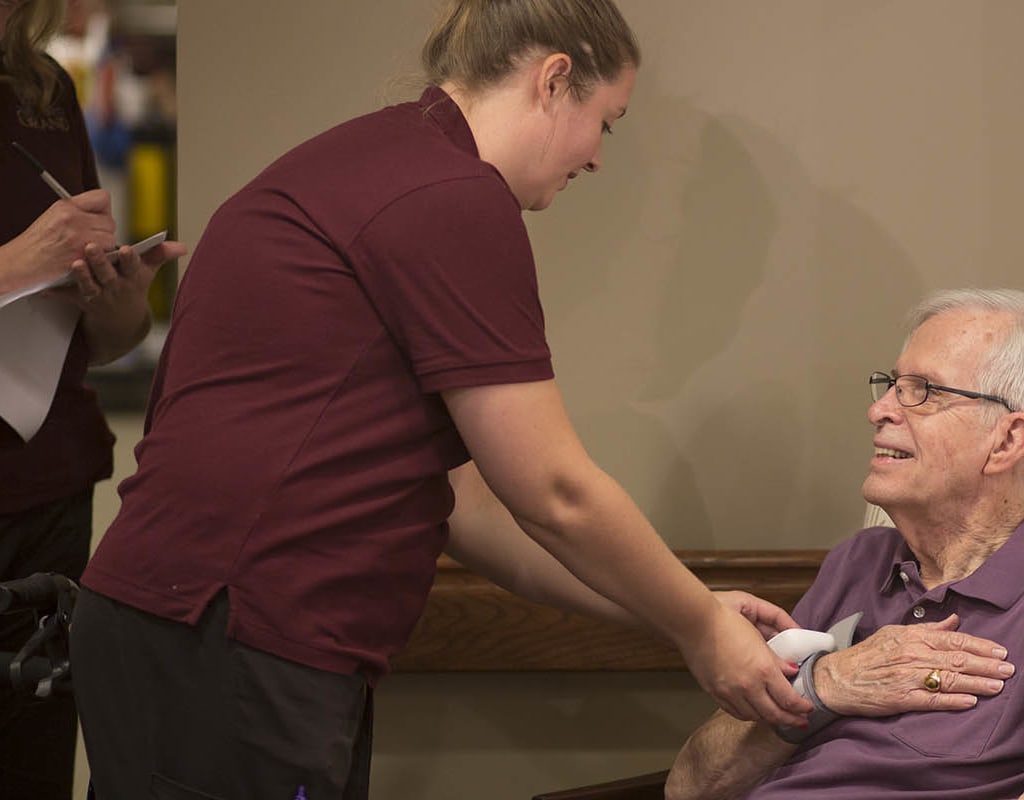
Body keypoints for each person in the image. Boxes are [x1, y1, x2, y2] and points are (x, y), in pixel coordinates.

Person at [68, 2, 825, 797]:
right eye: (608, 122)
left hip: (185, 626)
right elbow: (555, 491)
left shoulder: (381, 162)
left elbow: (473, 510)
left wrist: (684, 606)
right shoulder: (450, 195)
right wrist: (701, 631)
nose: (600, 157)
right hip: (230, 630)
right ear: (553, 79)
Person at [663, 288, 1024, 800]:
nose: (879, 410)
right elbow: (692, 786)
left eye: (922, 391)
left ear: (1007, 441)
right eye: (891, 385)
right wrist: (823, 685)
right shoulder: (860, 560)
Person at [0, 0, 184, 796]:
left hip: (48, 491)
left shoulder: (40, 90)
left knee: (35, 762)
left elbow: (103, 342)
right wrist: (12, 264)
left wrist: (114, 297)